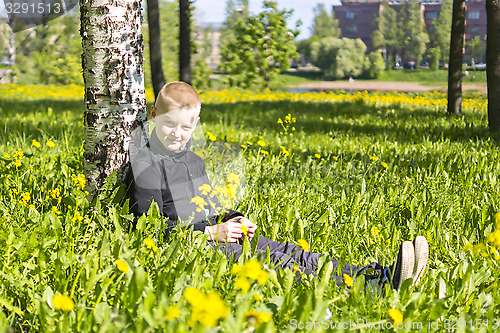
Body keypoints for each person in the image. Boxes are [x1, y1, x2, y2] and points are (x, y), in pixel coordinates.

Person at [126, 81, 429, 290]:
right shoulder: (146, 166)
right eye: (169, 124)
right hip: (191, 248)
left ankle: (381, 274)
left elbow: (209, 206)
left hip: (216, 235)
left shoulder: (193, 161)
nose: (177, 134)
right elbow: (149, 228)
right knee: (275, 263)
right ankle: (371, 288)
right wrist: (208, 232)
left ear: (196, 124)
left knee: (289, 250)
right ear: (153, 115)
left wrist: (233, 219)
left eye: (186, 127)